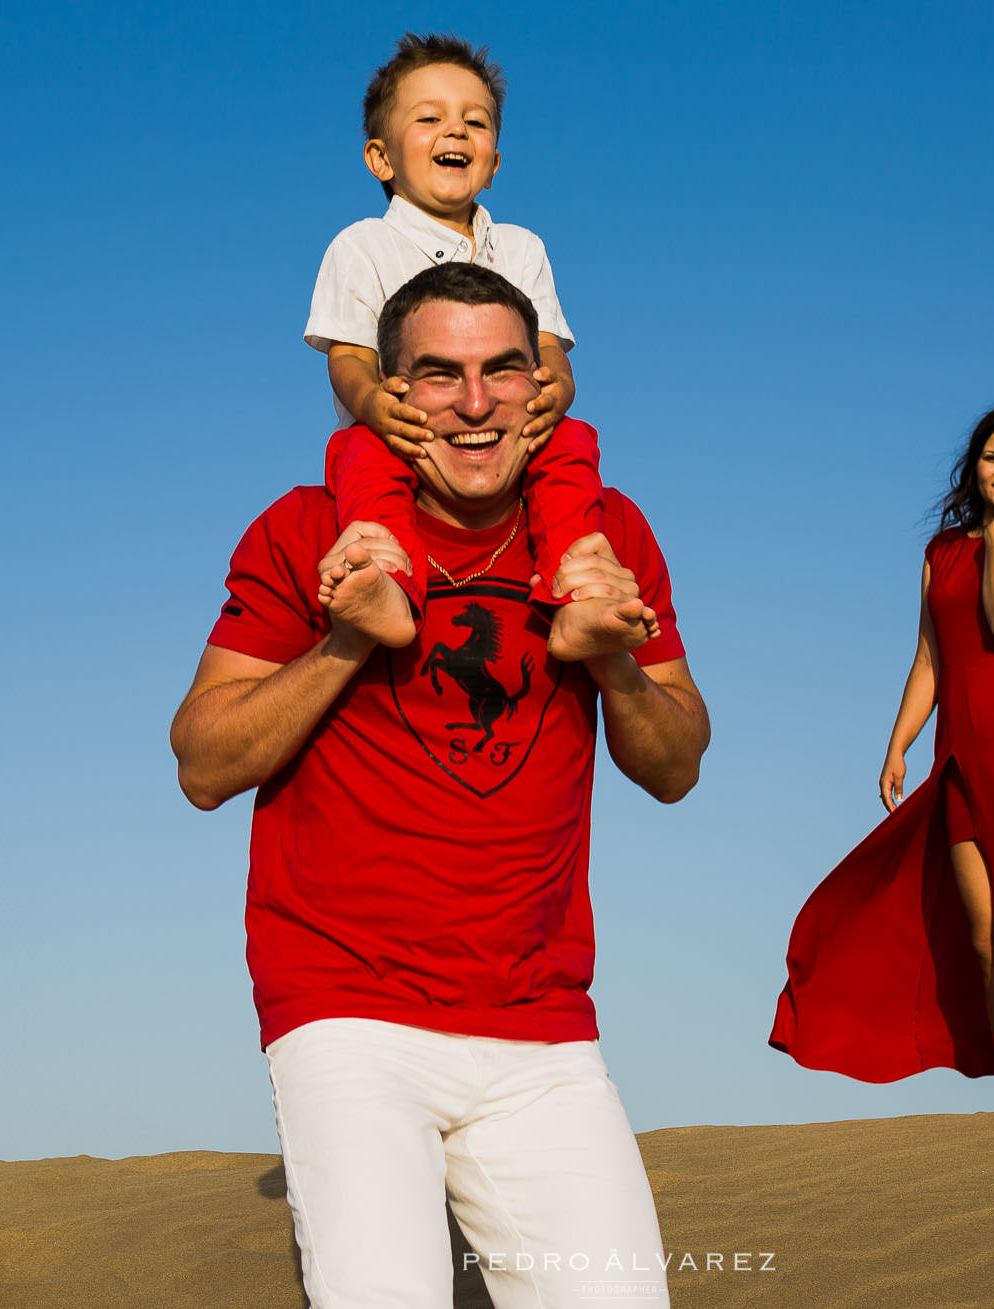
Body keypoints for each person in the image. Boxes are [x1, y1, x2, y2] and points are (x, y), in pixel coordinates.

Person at [171, 264, 709, 1307]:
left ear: (540, 385)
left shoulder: (605, 538)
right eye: (439, 374)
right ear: (392, 394)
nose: (473, 402)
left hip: (541, 1024)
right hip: (348, 1011)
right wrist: (339, 643)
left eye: (501, 370)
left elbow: (676, 764)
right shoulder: (306, 529)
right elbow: (202, 763)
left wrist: (605, 660)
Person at [769, 403, 994, 1110]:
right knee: (983, 930)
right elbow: (932, 656)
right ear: (976, 464)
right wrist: (899, 740)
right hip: (961, 753)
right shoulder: (940, 554)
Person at [306, 31, 603, 627]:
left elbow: (547, 344)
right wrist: (373, 402)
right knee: (362, 454)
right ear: (381, 158)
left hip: (502, 434)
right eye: (429, 118)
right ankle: (385, 578)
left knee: (573, 442)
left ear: (493, 164)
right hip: (404, 431)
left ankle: (579, 583)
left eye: (476, 122)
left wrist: (558, 390)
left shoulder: (521, 248)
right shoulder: (364, 245)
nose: (456, 132)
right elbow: (348, 354)